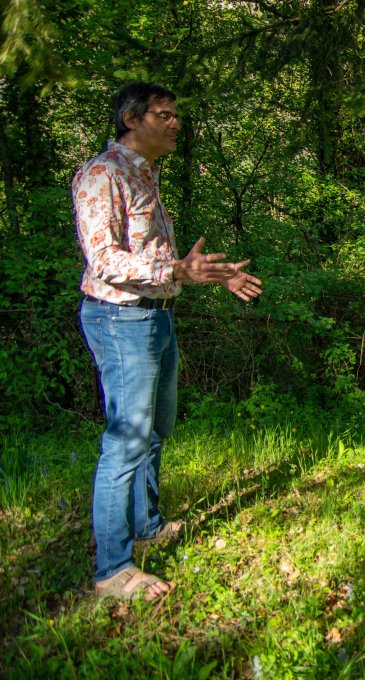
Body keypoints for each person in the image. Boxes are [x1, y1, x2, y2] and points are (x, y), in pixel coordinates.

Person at [74, 82, 263, 601]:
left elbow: (161, 261)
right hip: (120, 318)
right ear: (131, 119)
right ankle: (113, 570)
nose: (176, 122)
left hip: (156, 316)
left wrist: (208, 274)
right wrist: (177, 269)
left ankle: (147, 524)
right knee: (127, 440)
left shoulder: (147, 175)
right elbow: (104, 261)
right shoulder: (102, 174)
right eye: (164, 114)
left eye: (176, 114)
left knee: (157, 429)